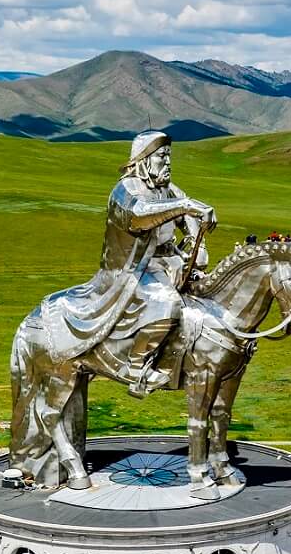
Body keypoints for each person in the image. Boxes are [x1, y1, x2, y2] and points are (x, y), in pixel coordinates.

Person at [32, 131, 215, 397]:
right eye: (162, 157)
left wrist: (197, 238)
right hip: (131, 270)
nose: (168, 163)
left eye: (169, 157)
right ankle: (137, 366)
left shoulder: (168, 189)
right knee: (168, 303)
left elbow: (188, 219)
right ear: (144, 159)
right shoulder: (126, 191)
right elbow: (139, 216)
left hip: (171, 263)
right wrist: (186, 206)